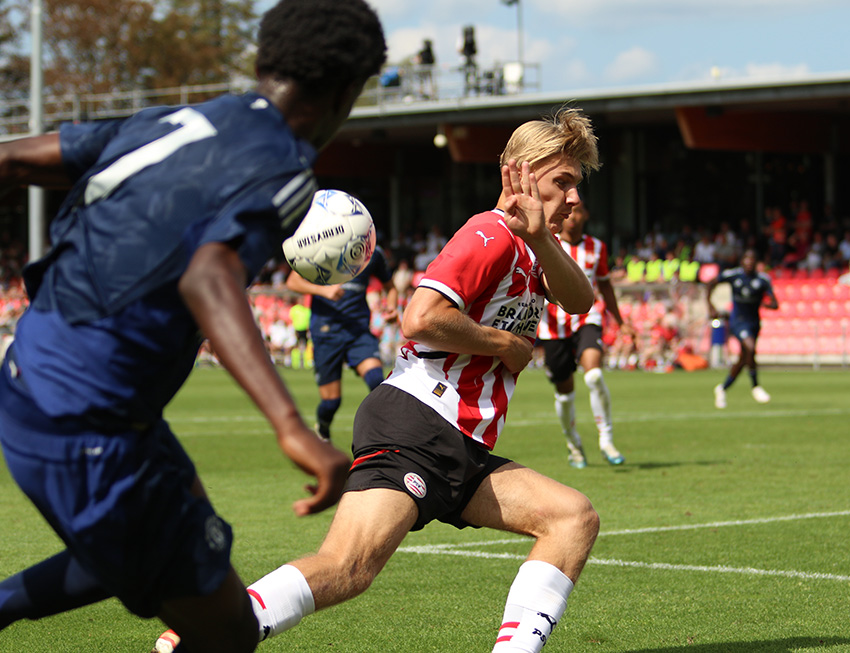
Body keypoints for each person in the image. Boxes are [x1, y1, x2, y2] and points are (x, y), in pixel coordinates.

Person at [0, 1, 386, 651]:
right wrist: (292, 428)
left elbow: (11, 159)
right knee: (228, 631)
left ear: (265, 60)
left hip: (28, 382)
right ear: (347, 91)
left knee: (157, 533)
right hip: (91, 425)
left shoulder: (178, 120)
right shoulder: (286, 168)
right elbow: (208, 273)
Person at [154, 107, 603, 653]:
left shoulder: (533, 249)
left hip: (457, 441)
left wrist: (544, 239)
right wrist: (504, 344)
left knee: (571, 517)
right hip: (418, 424)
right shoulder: (488, 234)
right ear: (520, 173)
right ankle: (205, 634)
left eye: (577, 185)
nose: (575, 198)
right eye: (563, 182)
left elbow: (581, 300)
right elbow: (421, 318)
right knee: (346, 567)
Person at [536, 202, 635, 468]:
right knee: (565, 392)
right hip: (552, 327)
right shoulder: (546, 243)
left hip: (587, 319)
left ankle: (606, 439)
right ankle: (574, 445)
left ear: (586, 215)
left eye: (579, 211)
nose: (573, 217)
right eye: (570, 211)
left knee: (594, 374)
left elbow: (605, 286)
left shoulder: (597, 247)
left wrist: (621, 322)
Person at [284, 245, 398, 443]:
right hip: (326, 333)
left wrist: (392, 307)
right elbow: (293, 281)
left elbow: (391, 287)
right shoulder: (320, 247)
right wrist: (323, 290)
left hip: (358, 331)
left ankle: (382, 439)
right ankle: (323, 427)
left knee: (377, 383)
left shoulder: (372, 253)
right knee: (331, 402)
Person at [707, 249, 778, 408]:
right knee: (750, 347)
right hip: (738, 321)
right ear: (742, 261)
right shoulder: (734, 275)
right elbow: (711, 283)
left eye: (752, 260)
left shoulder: (762, 280)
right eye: (746, 259)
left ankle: (722, 388)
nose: (749, 263)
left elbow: (775, 303)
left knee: (744, 358)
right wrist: (710, 306)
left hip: (754, 322)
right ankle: (756, 386)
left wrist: (765, 303)